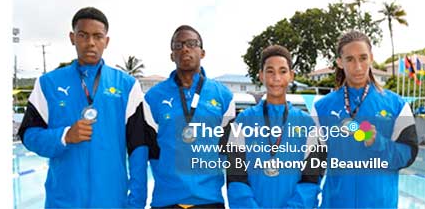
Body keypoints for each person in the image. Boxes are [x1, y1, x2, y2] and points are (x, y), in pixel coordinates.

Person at [18, 7, 154, 208]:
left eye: (98, 36)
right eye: (83, 35)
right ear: (72, 38)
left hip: (112, 201)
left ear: (106, 41)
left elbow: (138, 148)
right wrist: (64, 136)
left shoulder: (127, 86)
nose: (91, 42)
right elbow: (28, 135)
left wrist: (136, 202)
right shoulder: (48, 84)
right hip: (63, 201)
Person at [313, 30, 418, 208]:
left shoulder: (397, 105)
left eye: (362, 58)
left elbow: (407, 155)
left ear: (371, 57)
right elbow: (312, 165)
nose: (358, 66)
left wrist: (378, 143)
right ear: (340, 62)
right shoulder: (321, 108)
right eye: (350, 59)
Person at [141, 25, 235, 208]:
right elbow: (150, 151)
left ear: (203, 52)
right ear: (171, 55)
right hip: (166, 200)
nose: (185, 48)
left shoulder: (223, 96)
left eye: (192, 44)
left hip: (209, 200)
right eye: (178, 45)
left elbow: (228, 154)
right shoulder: (153, 98)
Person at [222, 45, 325, 208]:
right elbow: (235, 178)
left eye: (283, 71)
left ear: (291, 75)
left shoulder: (307, 124)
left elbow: (311, 180)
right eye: (270, 71)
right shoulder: (243, 121)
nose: (276, 77)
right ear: (261, 76)